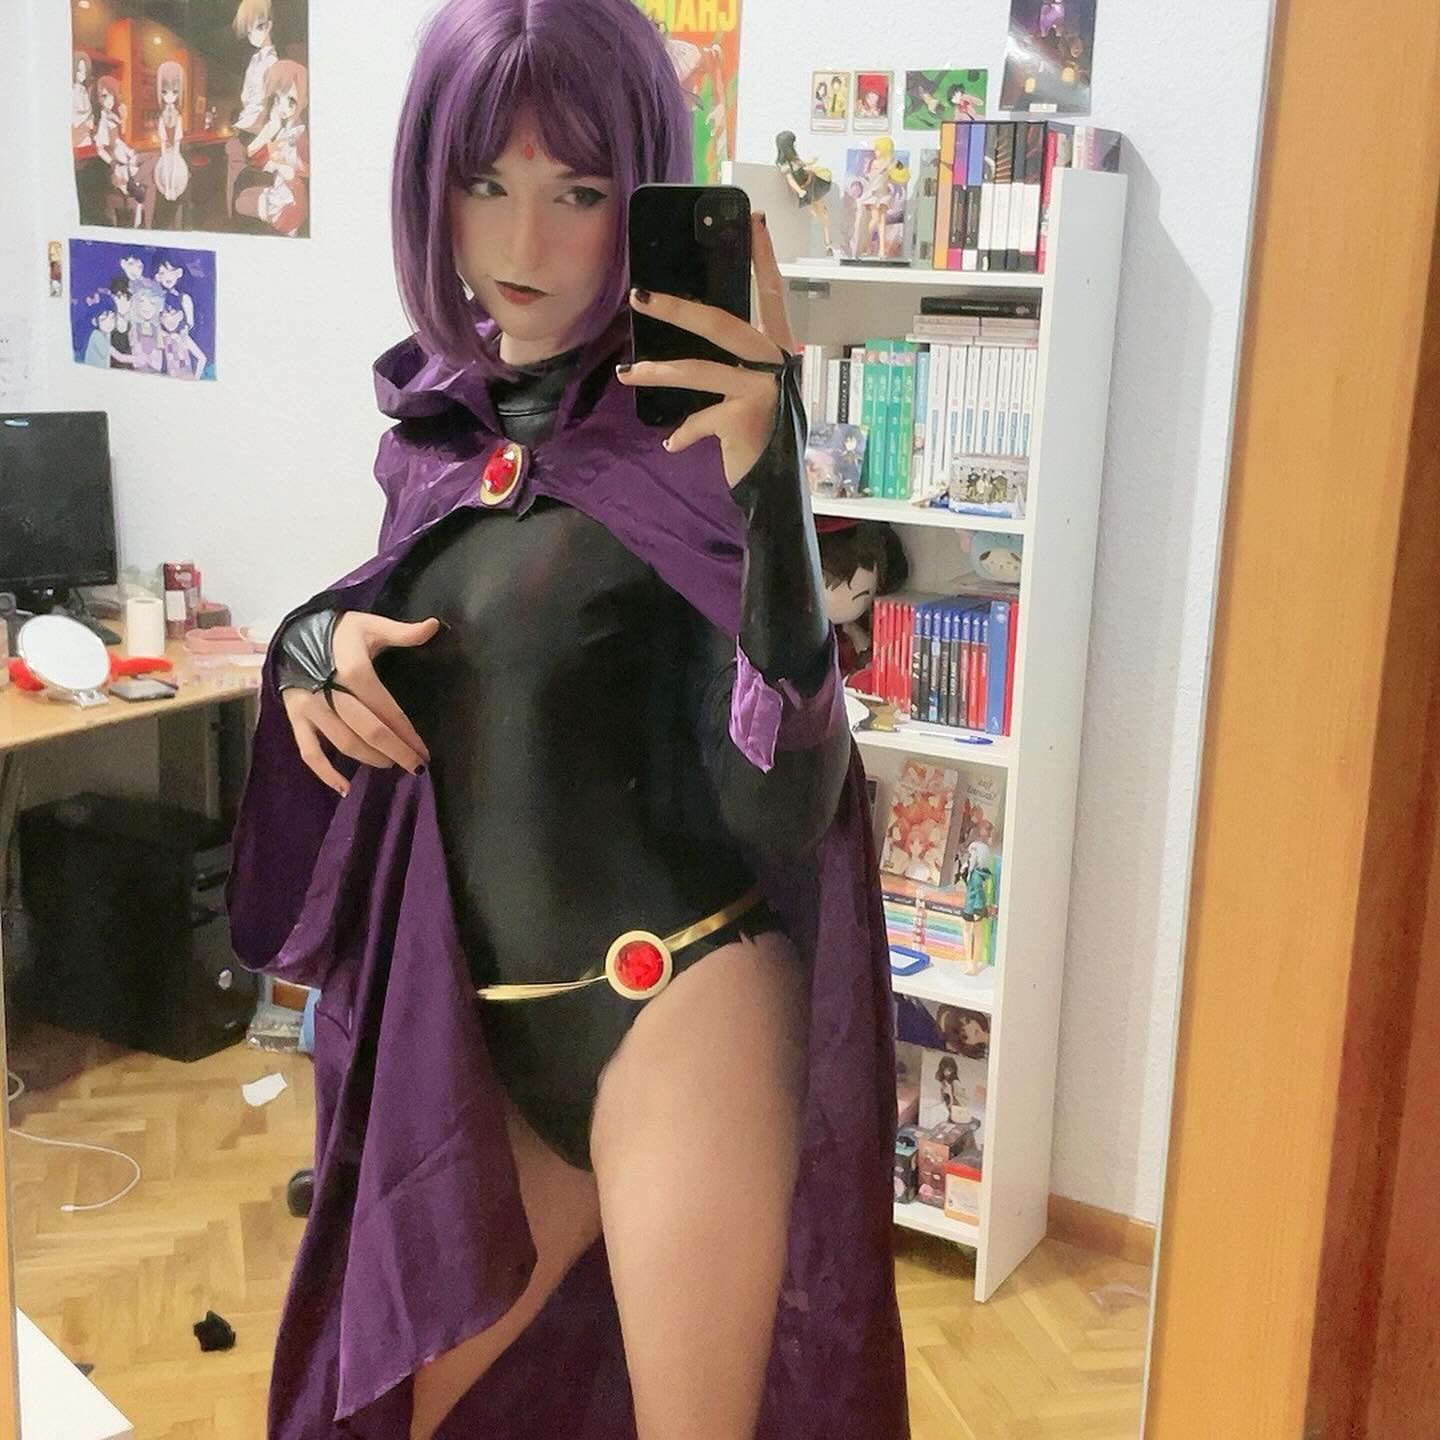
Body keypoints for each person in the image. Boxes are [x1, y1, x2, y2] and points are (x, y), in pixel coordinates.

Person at [225, 1, 907, 1437]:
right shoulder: (440, 434)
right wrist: (307, 646)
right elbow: (427, 649)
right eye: (485, 182)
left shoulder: (687, 441)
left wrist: (773, 481)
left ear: (640, 193)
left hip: (683, 1012)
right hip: (484, 1045)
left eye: (580, 192)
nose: (521, 241)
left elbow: (791, 798)